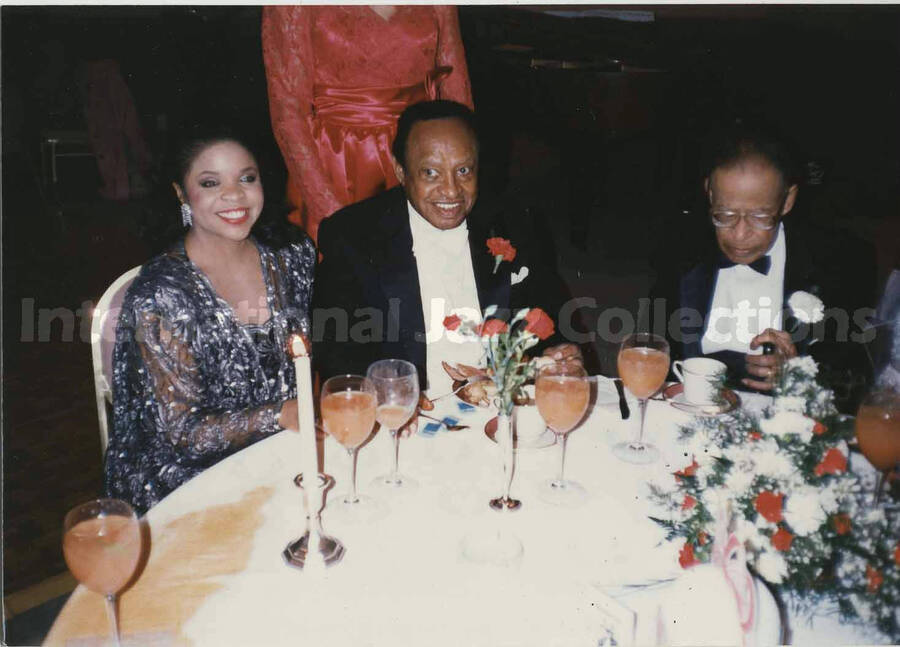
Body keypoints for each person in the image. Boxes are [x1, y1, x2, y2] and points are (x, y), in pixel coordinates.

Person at [104, 133, 316, 514]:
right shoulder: (160, 297)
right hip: (186, 486)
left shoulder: (292, 256)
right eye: (210, 182)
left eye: (247, 178)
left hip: (284, 456)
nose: (234, 195)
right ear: (181, 194)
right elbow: (178, 434)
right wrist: (279, 413)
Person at [312, 100, 579, 397]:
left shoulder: (514, 223)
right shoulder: (354, 235)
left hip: (502, 400)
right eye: (430, 173)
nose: (452, 191)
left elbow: (550, 314)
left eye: (463, 170)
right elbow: (335, 351)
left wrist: (559, 353)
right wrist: (394, 398)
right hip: (411, 410)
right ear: (401, 171)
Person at [662, 124, 876, 393]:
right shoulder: (679, 251)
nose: (739, 235)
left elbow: (857, 377)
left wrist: (798, 371)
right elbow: (656, 349)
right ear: (710, 192)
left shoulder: (839, 262)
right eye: (724, 214)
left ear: (787, 201)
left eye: (760, 217)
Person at [262, 5, 474, 244]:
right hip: (338, 164)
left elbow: (457, 90)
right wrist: (330, 210)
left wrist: (459, 171)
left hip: (423, 158)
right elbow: (288, 111)